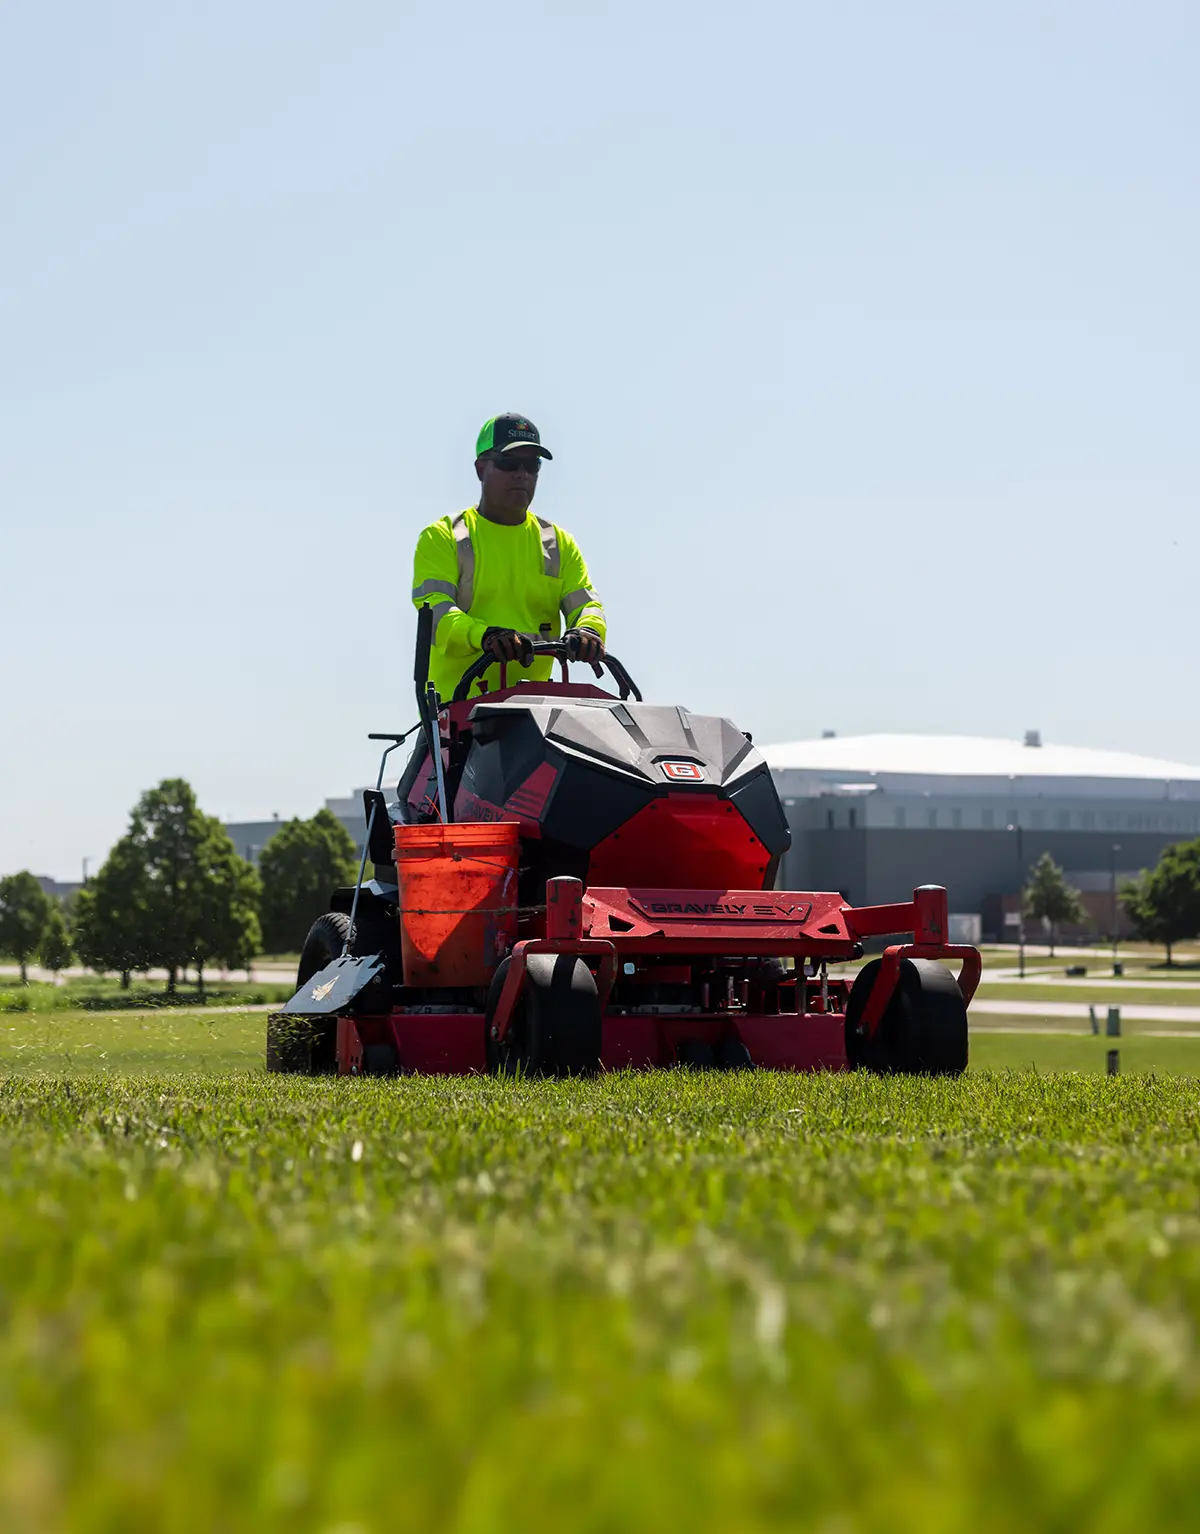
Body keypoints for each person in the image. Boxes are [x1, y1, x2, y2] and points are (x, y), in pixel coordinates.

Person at [411, 413, 606, 701]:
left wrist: (588, 629)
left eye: (531, 465)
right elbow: (438, 615)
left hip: (536, 717)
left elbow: (587, 604)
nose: (522, 473)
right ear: (480, 469)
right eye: (509, 463)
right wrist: (485, 636)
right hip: (456, 719)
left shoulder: (558, 544)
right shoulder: (443, 537)